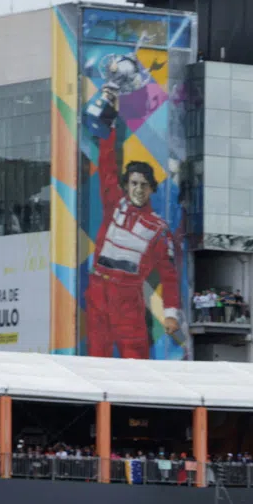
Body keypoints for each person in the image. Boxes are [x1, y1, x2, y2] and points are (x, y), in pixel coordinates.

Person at [85, 95, 182, 359]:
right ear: (126, 185)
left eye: (144, 185)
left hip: (127, 296)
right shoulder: (114, 202)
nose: (138, 189)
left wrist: (171, 314)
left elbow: (169, 275)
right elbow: (107, 163)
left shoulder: (158, 229)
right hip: (98, 289)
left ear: (151, 189)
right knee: (95, 359)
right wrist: (110, 123)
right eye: (134, 183)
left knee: (135, 360)